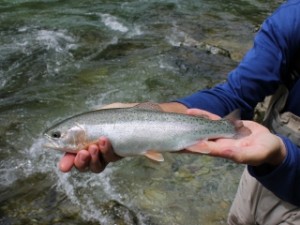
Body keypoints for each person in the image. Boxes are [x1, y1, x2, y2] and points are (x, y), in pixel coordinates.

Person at [58, 0, 300, 224]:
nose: (55, 140)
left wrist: (280, 156)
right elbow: (235, 95)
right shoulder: (292, 20)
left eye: (57, 136)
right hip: (265, 172)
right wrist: (155, 114)